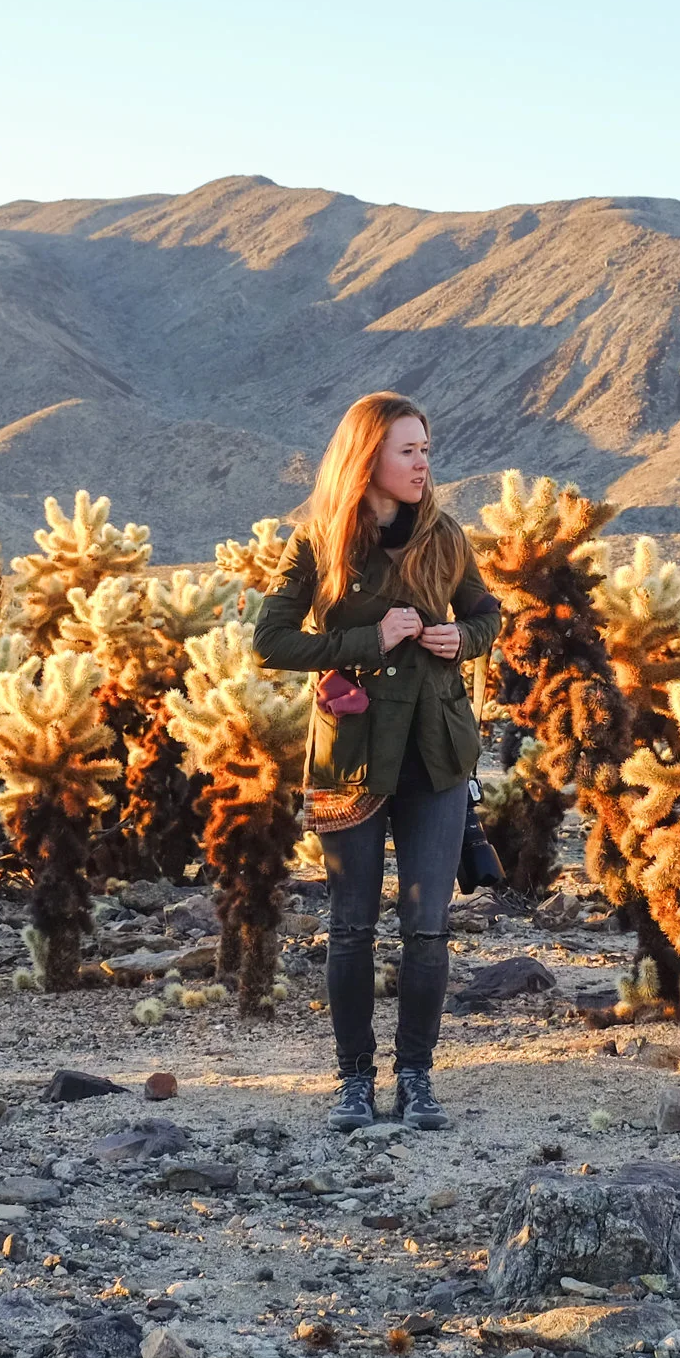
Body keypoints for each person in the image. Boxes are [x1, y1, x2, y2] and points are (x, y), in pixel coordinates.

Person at [254, 393, 501, 1132]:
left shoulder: (446, 536)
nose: (423, 462)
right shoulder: (321, 544)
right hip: (351, 760)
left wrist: (463, 638)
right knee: (353, 926)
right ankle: (354, 1081)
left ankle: (417, 1079)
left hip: (436, 756)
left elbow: (489, 615)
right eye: (407, 450)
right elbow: (270, 642)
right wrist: (370, 641)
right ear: (369, 459)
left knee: (427, 928)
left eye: (425, 448)